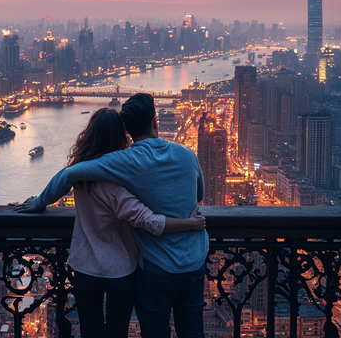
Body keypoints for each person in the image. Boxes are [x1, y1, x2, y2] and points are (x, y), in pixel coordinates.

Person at [17, 94, 209, 338]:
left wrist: (40, 201)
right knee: (192, 332)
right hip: (191, 261)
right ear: (155, 121)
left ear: (127, 131)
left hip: (153, 266)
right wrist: (189, 222)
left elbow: (70, 174)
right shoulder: (187, 154)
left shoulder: (124, 161)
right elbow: (198, 194)